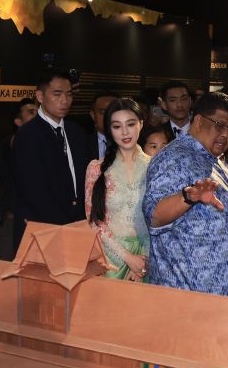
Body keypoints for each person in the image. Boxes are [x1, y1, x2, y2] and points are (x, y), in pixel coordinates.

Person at [142, 92, 228, 303]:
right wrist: (188, 197)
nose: (226, 135)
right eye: (220, 125)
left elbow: (208, 212)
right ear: (199, 121)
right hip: (191, 293)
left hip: (223, 290)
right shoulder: (174, 157)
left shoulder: (210, 157)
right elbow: (154, 215)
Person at [11, 70, 96, 245]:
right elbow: (33, 190)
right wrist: (65, 226)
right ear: (40, 96)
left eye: (69, 94)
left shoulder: (77, 133)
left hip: (78, 225)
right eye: (57, 94)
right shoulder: (27, 135)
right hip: (43, 229)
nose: (64, 100)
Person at [85, 99, 149, 281]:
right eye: (117, 126)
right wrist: (128, 258)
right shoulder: (96, 168)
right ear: (109, 130)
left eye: (131, 124)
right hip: (109, 261)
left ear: (141, 124)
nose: (125, 132)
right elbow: (94, 221)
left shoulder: (154, 166)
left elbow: (159, 219)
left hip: (148, 258)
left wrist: (144, 260)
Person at [90, 91, 118, 161]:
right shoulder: (82, 144)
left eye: (113, 111)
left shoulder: (130, 143)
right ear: (93, 115)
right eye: (103, 112)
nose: (108, 116)